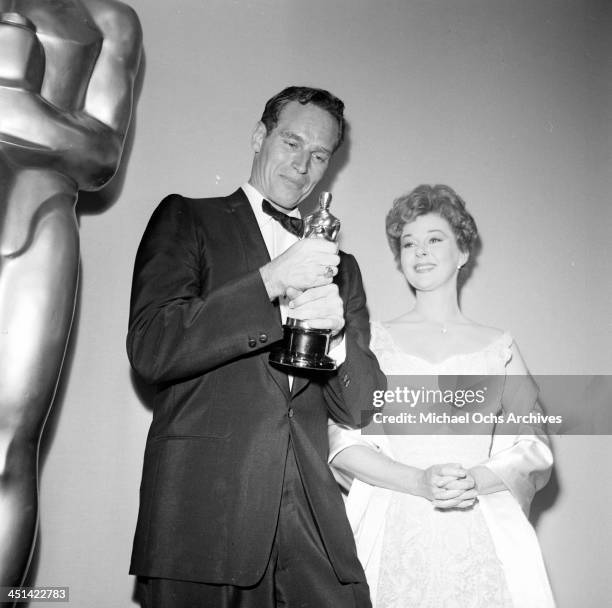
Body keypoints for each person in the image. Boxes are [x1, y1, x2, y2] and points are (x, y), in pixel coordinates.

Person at [127, 86, 385, 607]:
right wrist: (268, 282)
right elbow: (152, 347)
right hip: (203, 517)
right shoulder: (188, 219)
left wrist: (335, 339)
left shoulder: (344, 267)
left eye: (319, 155)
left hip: (313, 525)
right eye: (291, 143)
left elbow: (362, 406)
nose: (303, 165)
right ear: (259, 136)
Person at [329, 184, 555, 608]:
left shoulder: (498, 346)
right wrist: (417, 481)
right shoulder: (371, 343)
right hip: (392, 530)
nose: (420, 252)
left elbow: (533, 444)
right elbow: (342, 442)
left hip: (478, 529)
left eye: (435, 239)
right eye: (408, 243)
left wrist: (474, 479)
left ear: (463, 253)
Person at [0, 0, 142, 588]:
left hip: (36, 219)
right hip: (36, 207)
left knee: (6, 446)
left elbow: (101, 154)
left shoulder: (109, 19)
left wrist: (13, 102)